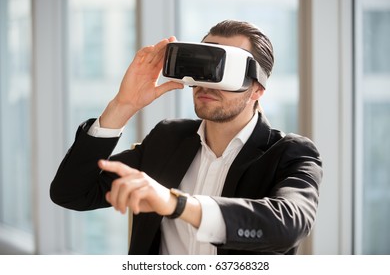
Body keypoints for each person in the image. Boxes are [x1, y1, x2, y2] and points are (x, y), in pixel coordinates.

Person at [50, 19, 322, 255]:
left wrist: (176, 203)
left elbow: (288, 225)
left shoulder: (291, 153)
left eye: (223, 71)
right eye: (204, 66)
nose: (206, 83)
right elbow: (72, 193)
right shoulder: (168, 139)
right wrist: (123, 105)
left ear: (257, 90)